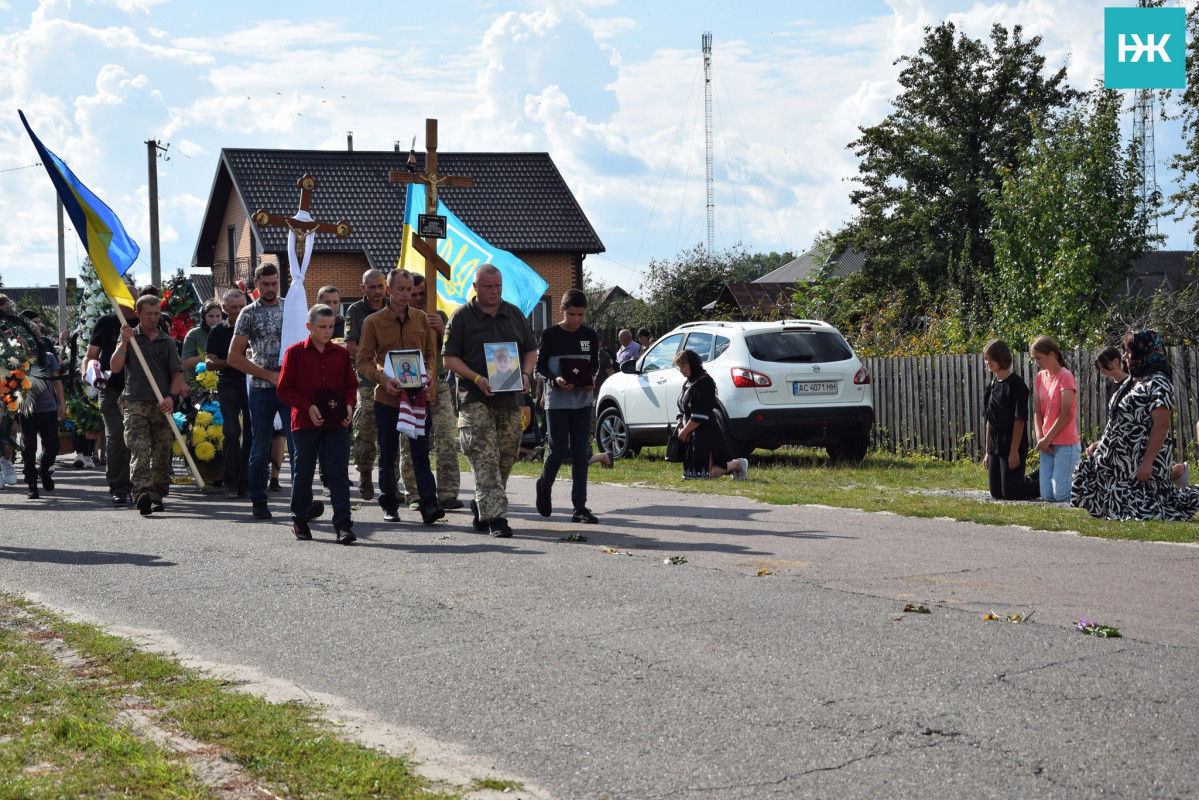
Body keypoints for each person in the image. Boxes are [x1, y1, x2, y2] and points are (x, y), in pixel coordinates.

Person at [443, 264, 538, 537]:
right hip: (474, 398)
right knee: (485, 456)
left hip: (509, 398)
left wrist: (527, 373)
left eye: (498, 286)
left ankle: (482, 505)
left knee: (506, 457)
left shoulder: (514, 314)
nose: (494, 292)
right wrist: (476, 378)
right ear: (475, 287)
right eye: (488, 287)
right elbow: (449, 359)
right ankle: (497, 518)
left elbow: (530, 350)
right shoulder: (461, 318)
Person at [1071, 331, 1199, 520]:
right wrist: (1104, 442)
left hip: (1141, 457)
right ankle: (1177, 474)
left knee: (1145, 512)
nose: (1125, 356)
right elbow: (1120, 419)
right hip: (1120, 459)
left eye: (1129, 352)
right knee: (1088, 473)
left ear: (1144, 352)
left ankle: (1181, 478)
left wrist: (1147, 463)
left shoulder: (1159, 382)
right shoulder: (1132, 381)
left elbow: (1161, 425)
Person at [354, 268, 444, 525]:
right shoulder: (374, 322)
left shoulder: (421, 319)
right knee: (388, 451)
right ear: (389, 290)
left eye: (410, 290)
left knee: (420, 451)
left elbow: (430, 353)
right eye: (401, 290)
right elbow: (362, 361)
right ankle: (389, 504)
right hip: (388, 398)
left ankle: (429, 504)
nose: (406, 295)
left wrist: (428, 372)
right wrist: (384, 379)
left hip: (418, 397)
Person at [276, 304, 357, 544]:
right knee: (304, 471)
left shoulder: (341, 354)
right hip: (304, 421)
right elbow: (284, 389)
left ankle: (343, 525)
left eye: (331, 326)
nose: (328, 331)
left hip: (336, 422)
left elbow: (350, 386)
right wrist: (306, 406)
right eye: (322, 327)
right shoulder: (295, 353)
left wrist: (350, 406)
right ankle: (299, 520)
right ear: (309, 327)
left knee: (338, 473)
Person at [109, 295, 188, 516]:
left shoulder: (167, 341)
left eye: (156, 314)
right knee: (139, 449)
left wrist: (171, 397)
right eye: (148, 314)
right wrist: (124, 343)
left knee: (161, 452)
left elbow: (177, 374)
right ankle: (141, 493)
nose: (153, 319)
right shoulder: (129, 337)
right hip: (134, 401)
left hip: (161, 403)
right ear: (138, 314)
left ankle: (157, 494)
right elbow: (115, 367)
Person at [228, 263, 292, 520]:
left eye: (274, 283)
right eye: (265, 284)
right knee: (259, 447)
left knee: (298, 446)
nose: (270, 289)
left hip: (290, 390)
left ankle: (301, 501)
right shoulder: (248, 313)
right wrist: (268, 375)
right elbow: (234, 357)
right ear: (256, 284)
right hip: (261, 390)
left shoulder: (291, 307)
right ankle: (259, 500)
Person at [534, 288, 601, 523]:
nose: (576, 320)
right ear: (562, 311)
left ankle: (579, 507)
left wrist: (592, 378)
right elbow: (539, 367)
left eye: (581, 315)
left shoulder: (590, 335)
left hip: (583, 401)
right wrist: (555, 380)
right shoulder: (551, 334)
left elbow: (594, 364)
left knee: (582, 452)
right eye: (572, 314)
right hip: (557, 402)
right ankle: (543, 485)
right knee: (559, 450)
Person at [83, 297, 140, 505]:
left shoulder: (150, 322)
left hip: (140, 390)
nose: (130, 303)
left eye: (134, 299)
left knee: (138, 437)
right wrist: (86, 371)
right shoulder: (105, 322)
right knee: (116, 436)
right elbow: (91, 355)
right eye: (125, 299)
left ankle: (140, 486)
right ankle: (119, 487)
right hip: (111, 389)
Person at [344, 268, 388, 500]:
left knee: (393, 433)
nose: (377, 291)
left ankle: (390, 483)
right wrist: (374, 363)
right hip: (368, 381)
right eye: (372, 287)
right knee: (367, 433)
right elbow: (351, 345)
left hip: (393, 381)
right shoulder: (355, 310)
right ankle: (365, 477)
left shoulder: (394, 308)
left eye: (380, 286)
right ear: (363, 288)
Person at [205, 288, 251, 498]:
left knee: (252, 431)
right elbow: (209, 362)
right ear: (224, 308)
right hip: (228, 384)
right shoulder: (217, 331)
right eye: (234, 307)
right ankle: (230, 480)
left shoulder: (254, 327)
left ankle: (248, 479)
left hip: (252, 384)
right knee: (231, 432)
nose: (239, 311)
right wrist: (233, 361)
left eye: (242, 306)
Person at [673, 349, 747, 481]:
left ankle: (738, 464)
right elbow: (682, 408)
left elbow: (700, 414)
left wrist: (684, 431)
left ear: (692, 364)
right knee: (691, 475)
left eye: (683, 366)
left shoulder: (705, 382)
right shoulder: (688, 383)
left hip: (706, 434)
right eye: (680, 367)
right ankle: (735, 465)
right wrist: (680, 427)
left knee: (706, 474)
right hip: (691, 435)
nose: (681, 370)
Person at [981, 339, 1039, 501]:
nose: (988, 362)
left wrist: (1014, 451)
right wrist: (987, 452)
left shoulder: (1016, 384)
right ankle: (1028, 479)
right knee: (997, 493)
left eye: (991, 359)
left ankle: (1048, 482)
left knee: (1012, 493)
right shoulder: (991, 386)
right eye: (986, 359)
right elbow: (989, 421)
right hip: (995, 445)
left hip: (1012, 444)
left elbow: (1019, 419)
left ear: (1001, 358)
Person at [17, 318, 64, 499]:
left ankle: (44, 470)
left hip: (48, 408)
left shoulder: (49, 357)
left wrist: (62, 403)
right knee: (28, 448)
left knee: (53, 445)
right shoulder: (16, 359)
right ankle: (31, 484)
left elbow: (57, 381)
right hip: (26, 409)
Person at [1031, 335, 1080, 502]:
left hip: (1066, 445)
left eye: (1039, 358)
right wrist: (1040, 438)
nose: (1036, 362)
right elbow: (1037, 411)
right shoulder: (1040, 377)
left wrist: (1048, 438)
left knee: (1062, 495)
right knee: (1046, 496)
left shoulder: (1065, 376)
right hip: (1047, 445)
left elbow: (1065, 413)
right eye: (1034, 358)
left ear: (1052, 355)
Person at [181, 301, 224, 371]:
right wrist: (209, 355)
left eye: (218, 316)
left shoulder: (226, 331)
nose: (215, 320)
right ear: (203, 317)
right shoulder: (193, 334)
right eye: (211, 316)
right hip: (201, 379)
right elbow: (185, 364)